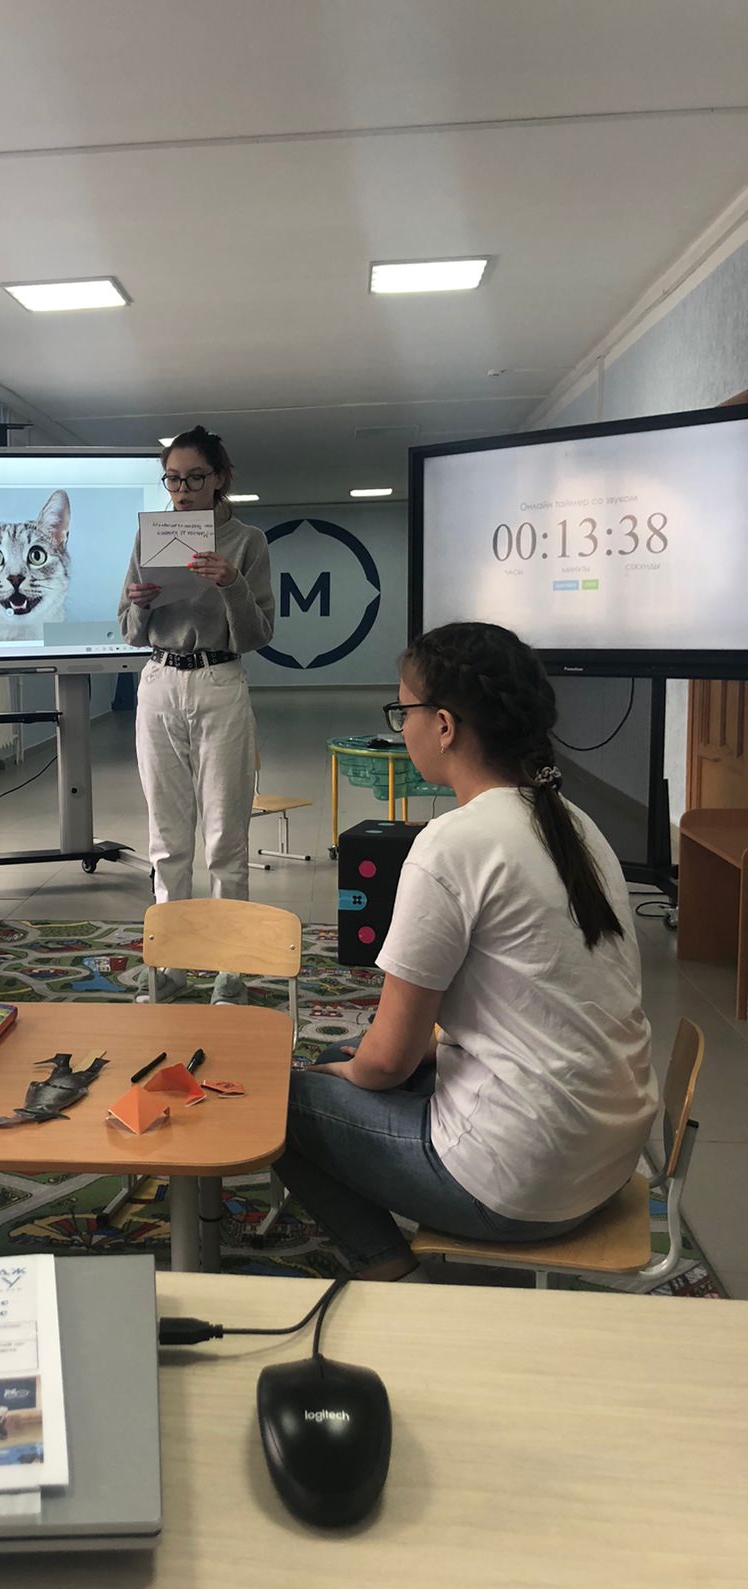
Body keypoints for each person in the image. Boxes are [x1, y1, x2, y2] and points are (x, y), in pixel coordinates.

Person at [276, 621, 657, 1281]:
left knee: (277, 1102)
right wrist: (354, 1068)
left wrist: (347, 1076)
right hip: (608, 1161)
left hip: (518, 1187)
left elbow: (388, 1061)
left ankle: (389, 1270)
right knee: (342, 1060)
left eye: (404, 712)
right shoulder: (575, 823)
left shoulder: (452, 844)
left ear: (445, 726)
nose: (403, 728)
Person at [118, 426, 275, 1005]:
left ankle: (230, 970)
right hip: (159, 680)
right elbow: (128, 631)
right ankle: (172, 964)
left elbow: (258, 634)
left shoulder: (247, 541)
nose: (182, 491)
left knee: (226, 837)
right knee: (166, 839)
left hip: (220, 679)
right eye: (173, 480)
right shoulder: (150, 536)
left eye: (194, 478)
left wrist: (231, 584)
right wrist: (140, 605)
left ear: (220, 478)